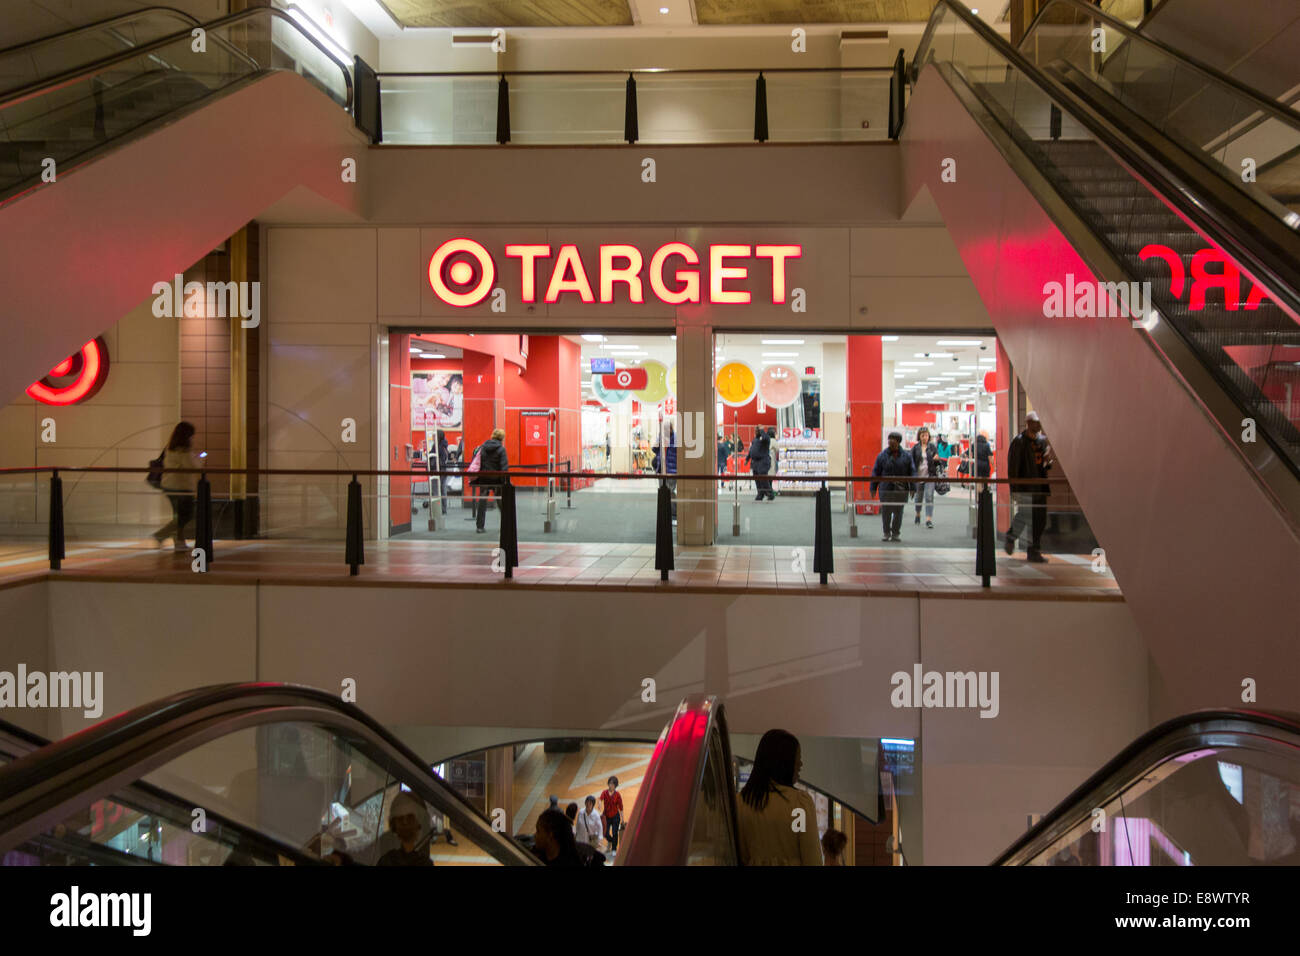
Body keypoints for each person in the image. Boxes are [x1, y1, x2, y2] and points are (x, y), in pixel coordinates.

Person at [736, 729, 822, 866]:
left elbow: (740, 855)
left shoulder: (741, 802)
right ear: (784, 762)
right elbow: (812, 859)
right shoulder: (798, 805)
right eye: (797, 758)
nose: (800, 764)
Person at [1006, 411, 1051, 562]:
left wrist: (1048, 462)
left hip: (1040, 488)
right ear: (1029, 423)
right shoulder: (1019, 442)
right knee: (1025, 515)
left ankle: (1034, 551)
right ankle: (1011, 537)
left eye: (1039, 422)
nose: (1038, 425)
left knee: (1040, 519)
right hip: (1026, 488)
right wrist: (1014, 489)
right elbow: (1013, 467)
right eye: (1035, 422)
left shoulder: (1042, 441)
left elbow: (1045, 465)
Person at [153, 421, 200, 553]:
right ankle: (161, 535)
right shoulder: (183, 450)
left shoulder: (171, 448)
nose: (193, 438)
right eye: (191, 435)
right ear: (187, 435)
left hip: (169, 485)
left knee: (179, 516)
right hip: (182, 487)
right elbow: (192, 467)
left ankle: (179, 541)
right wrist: (199, 460)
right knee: (186, 515)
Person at [870, 431, 915, 543]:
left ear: (898, 441)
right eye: (889, 439)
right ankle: (886, 533)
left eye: (893, 439)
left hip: (901, 489)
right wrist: (873, 488)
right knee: (886, 512)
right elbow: (876, 472)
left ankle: (895, 533)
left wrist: (913, 487)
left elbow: (912, 472)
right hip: (886, 489)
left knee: (898, 513)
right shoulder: (882, 455)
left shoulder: (907, 456)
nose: (890, 441)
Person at [376, 792, 434, 866]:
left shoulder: (386, 860)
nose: (405, 822)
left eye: (410, 817)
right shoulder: (386, 861)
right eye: (400, 818)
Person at [473, 427, 509, 534]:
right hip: (496, 479)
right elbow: (504, 467)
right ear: (502, 438)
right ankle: (506, 526)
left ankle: (479, 526)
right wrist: (505, 481)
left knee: (482, 502)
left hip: (484, 478)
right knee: (501, 503)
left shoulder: (483, 448)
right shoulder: (501, 449)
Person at [911, 426, 940, 529]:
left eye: (926, 435)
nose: (925, 437)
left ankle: (928, 519)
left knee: (929, 496)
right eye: (923, 435)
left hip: (930, 476)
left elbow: (938, 463)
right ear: (919, 436)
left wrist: (937, 459)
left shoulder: (932, 447)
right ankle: (918, 513)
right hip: (918, 477)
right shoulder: (915, 448)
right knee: (918, 498)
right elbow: (912, 463)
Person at [653, 421, 678, 521]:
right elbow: (654, 449)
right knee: (663, 492)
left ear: (671, 429)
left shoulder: (676, 438)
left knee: (671, 491)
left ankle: (674, 514)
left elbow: (679, 453)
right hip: (661, 469)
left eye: (667, 429)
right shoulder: (661, 438)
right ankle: (665, 514)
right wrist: (659, 439)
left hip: (672, 470)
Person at [599, 776, 624, 857]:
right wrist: (599, 803)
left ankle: (613, 849)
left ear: (615, 785)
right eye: (610, 783)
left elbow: (621, 808)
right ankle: (611, 841)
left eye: (613, 784)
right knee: (605, 833)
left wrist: (622, 819)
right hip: (606, 816)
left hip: (615, 817)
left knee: (614, 832)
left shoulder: (617, 795)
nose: (611, 785)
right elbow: (600, 799)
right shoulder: (604, 792)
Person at [747, 427, 774, 501]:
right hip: (755, 462)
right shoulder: (754, 440)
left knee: (762, 477)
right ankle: (760, 493)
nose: (756, 432)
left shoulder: (765, 439)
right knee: (757, 479)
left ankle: (770, 493)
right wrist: (747, 458)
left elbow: (765, 437)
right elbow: (751, 450)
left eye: (757, 431)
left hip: (763, 461)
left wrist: (761, 430)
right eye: (756, 431)